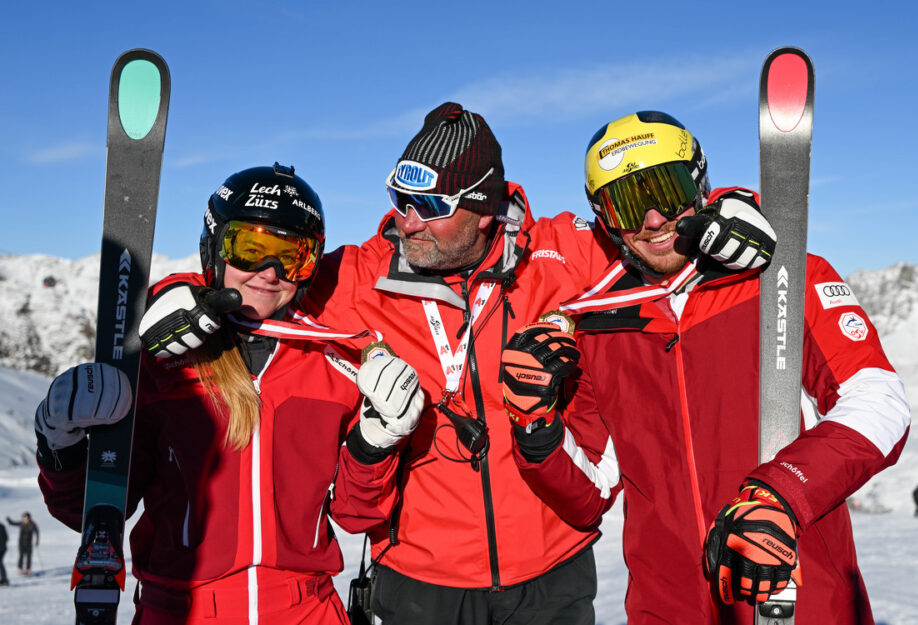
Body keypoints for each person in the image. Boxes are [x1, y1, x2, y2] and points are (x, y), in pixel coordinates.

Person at [138, 104, 774, 625]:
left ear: (485, 209)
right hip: (417, 581)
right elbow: (263, 284)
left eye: (432, 207)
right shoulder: (355, 279)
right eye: (400, 199)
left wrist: (727, 206)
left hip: (549, 578)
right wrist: (175, 291)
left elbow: (650, 234)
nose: (406, 221)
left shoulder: (561, 257)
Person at [504, 111, 912, 624]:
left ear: (699, 185)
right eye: (627, 203)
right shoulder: (596, 324)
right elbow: (590, 492)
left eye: (666, 192)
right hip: (667, 606)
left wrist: (785, 492)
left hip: (793, 591)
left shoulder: (781, 276)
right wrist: (536, 429)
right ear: (604, 217)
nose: (652, 221)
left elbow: (879, 400)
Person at [37, 163, 423, 625]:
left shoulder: (333, 362)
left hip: (307, 609)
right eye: (251, 248)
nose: (270, 272)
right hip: (181, 609)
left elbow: (356, 516)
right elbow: (97, 510)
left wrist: (373, 445)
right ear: (215, 245)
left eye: (292, 256)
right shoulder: (162, 361)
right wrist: (61, 446)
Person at [0, 517, 8, 585]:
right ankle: (4, 579)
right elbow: (6, 538)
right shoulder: (2, 526)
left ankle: (4, 580)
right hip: (4, 548)